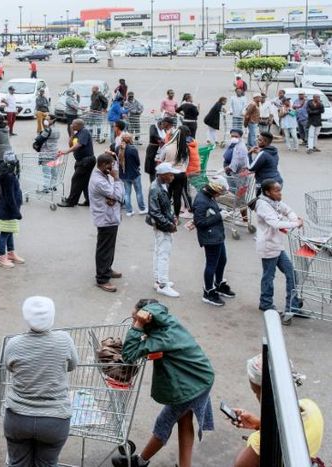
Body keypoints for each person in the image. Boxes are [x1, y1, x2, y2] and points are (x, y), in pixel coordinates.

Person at [117, 299, 215, 467]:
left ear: (149, 319)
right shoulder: (168, 322)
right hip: (199, 378)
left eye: (136, 319)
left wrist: (138, 326)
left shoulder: (163, 337)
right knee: (184, 420)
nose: (134, 322)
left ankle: (140, 462)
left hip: (192, 385)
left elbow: (128, 355)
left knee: (164, 421)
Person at [3, 296, 78, 466]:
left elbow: (9, 368)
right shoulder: (64, 340)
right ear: (51, 317)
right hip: (55, 421)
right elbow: (72, 365)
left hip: (18, 418)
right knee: (47, 463)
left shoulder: (14, 344)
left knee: (17, 462)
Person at [230, 354, 323, 467]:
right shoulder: (311, 407)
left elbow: (241, 465)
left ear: (265, 393)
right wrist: (259, 424)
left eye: (256, 392)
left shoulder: (262, 442)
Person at [252, 179, 304, 324]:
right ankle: (266, 303)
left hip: (277, 245)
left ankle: (292, 306)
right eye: (277, 191)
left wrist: (295, 219)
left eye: (279, 190)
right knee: (269, 275)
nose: (280, 193)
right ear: (268, 192)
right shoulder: (263, 205)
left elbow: (288, 210)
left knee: (291, 273)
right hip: (268, 246)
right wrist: (295, 223)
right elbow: (275, 223)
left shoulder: (274, 202)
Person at [191, 179, 237, 307]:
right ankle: (208, 292)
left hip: (217, 235)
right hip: (210, 238)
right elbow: (200, 223)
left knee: (222, 260)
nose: (219, 195)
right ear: (213, 190)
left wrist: (220, 212)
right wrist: (219, 216)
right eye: (219, 193)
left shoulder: (208, 195)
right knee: (212, 264)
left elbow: (210, 212)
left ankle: (219, 284)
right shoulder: (201, 201)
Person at [89, 153, 125, 292]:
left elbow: (115, 196)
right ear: (104, 165)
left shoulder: (104, 176)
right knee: (104, 248)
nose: (113, 168)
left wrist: (114, 196)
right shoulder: (99, 180)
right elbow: (119, 195)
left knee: (109, 247)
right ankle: (102, 278)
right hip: (105, 219)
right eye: (111, 165)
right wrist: (116, 179)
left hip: (111, 217)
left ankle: (107, 269)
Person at [148, 162, 181, 298]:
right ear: (162, 175)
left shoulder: (162, 185)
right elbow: (155, 212)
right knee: (163, 255)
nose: (173, 176)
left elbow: (166, 207)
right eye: (170, 174)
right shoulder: (156, 188)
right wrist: (169, 225)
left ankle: (158, 280)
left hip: (163, 224)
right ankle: (163, 285)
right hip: (162, 226)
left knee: (159, 252)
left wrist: (173, 217)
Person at [0, 153, 24, 268]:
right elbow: (10, 196)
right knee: (5, 233)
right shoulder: (9, 176)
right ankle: (1, 257)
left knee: (9, 231)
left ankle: (10, 253)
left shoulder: (5, 172)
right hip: (7, 210)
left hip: (6, 208)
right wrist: (16, 212)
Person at [57, 119, 95, 208]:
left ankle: (71, 201)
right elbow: (71, 144)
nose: (71, 125)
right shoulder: (77, 133)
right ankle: (89, 201)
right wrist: (72, 133)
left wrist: (66, 152)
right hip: (80, 161)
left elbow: (79, 145)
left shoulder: (84, 132)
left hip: (86, 161)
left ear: (79, 125)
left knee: (76, 180)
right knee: (84, 182)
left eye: (73, 124)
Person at [117, 132, 147, 216]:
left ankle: (129, 211)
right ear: (130, 139)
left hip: (123, 174)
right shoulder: (133, 149)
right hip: (134, 173)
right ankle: (142, 209)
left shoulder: (117, 148)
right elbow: (137, 162)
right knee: (138, 192)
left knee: (127, 193)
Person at [38, 117, 61, 191]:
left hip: (46, 154)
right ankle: (53, 185)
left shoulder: (47, 130)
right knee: (54, 171)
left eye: (47, 119)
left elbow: (39, 139)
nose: (45, 120)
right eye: (45, 119)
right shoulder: (57, 130)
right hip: (55, 153)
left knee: (46, 173)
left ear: (52, 120)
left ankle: (46, 188)